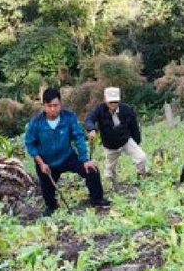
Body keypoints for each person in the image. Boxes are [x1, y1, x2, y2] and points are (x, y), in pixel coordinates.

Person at [24, 88, 109, 216]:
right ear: (44, 106)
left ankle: (97, 200)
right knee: (47, 189)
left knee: (92, 170)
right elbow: (30, 144)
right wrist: (41, 163)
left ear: (60, 104)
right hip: (46, 162)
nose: (53, 109)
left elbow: (78, 137)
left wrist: (85, 160)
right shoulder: (36, 123)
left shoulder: (69, 117)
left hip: (67, 157)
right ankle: (52, 207)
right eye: (49, 106)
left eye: (56, 105)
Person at [85, 87, 147, 182]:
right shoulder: (100, 109)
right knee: (109, 174)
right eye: (111, 102)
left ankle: (141, 176)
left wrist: (136, 142)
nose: (113, 104)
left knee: (141, 157)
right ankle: (113, 184)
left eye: (116, 101)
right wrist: (91, 129)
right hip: (110, 145)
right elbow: (90, 118)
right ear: (105, 100)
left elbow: (134, 127)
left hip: (125, 140)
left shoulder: (126, 110)